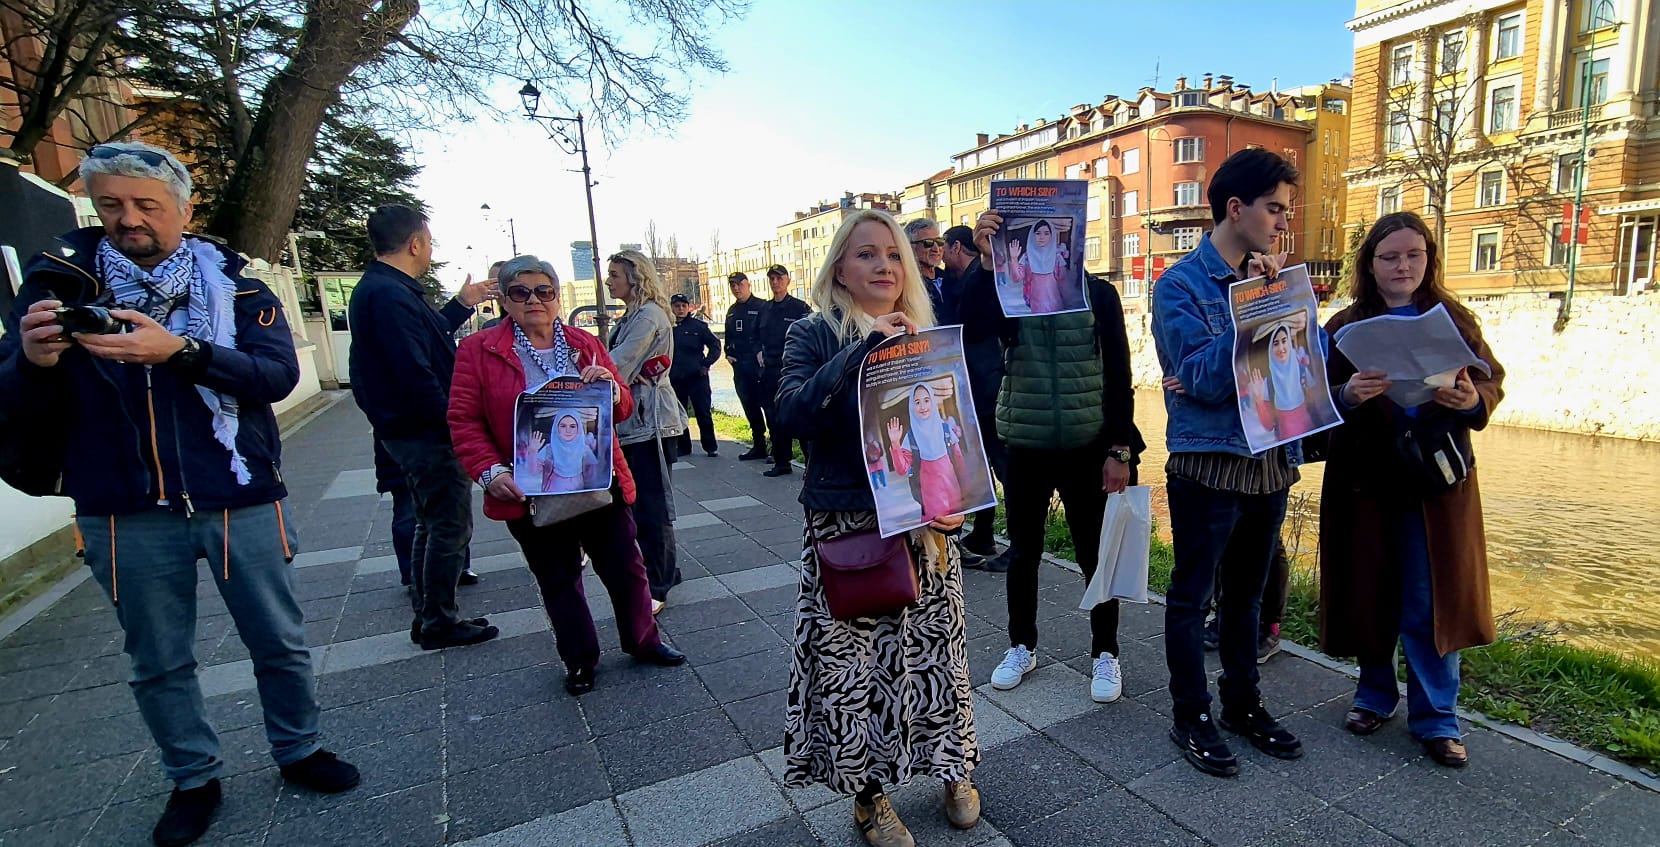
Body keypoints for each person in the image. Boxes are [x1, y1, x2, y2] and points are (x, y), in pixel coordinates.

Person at [0, 142, 359, 847]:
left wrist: (180, 352)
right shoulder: (58, 284)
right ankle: (193, 776)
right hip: (121, 504)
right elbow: (15, 400)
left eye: (145, 205)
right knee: (157, 657)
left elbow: (274, 375)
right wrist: (34, 361)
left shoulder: (238, 286)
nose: (127, 218)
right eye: (111, 205)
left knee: (279, 640)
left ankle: (299, 747)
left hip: (235, 491)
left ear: (184, 211)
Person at [777, 209, 980, 847]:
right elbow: (789, 415)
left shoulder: (928, 333)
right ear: (839, 266)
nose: (884, 267)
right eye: (867, 255)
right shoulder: (813, 333)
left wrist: (960, 495)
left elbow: (948, 434)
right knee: (853, 665)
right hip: (849, 526)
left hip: (925, 524)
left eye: (892, 256)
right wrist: (865, 352)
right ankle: (869, 797)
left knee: (934, 655)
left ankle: (953, 768)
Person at [447, 255, 686, 696]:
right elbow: (463, 420)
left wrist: (610, 389)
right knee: (558, 578)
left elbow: (622, 409)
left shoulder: (584, 343)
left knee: (627, 568)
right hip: (530, 489)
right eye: (520, 292)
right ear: (505, 299)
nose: (534, 300)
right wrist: (489, 471)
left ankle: (643, 641)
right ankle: (579, 660)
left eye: (544, 291)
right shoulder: (477, 351)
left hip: (596, 479)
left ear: (557, 296)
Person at [1321, 211, 1505, 769]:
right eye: (1389, 257)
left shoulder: (1453, 318)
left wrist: (1470, 401)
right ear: (1369, 265)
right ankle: (1374, 696)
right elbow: (1313, 399)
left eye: (1413, 255)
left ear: (1428, 260)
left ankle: (1437, 719)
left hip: (1435, 486)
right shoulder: (1345, 325)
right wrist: (1348, 394)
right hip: (1366, 483)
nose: (1403, 266)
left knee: (1431, 603)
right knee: (1372, 590)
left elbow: (1491, 381)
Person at [1150, 147, 1306, 778]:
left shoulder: (1275, 278)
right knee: (1193, 598)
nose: (1281, 223)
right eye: (1274, 208)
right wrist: (1254, 308)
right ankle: (1191, 714)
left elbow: (1294, 376)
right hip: (1208, 464)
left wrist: (1277, 303)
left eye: (1287, 211)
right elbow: (1205, 381)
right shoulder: (1178, 285)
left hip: (1268, 461)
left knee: (1245, 599)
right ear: (1235, 208)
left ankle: (1242, 703)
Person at [964, 210, 1143, 705]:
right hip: (1025, 440)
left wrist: (1120, 449)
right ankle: (1022, 645)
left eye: (1052, 231)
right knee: (1023, 552)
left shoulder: (1099, 295)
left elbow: (1119, 375)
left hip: (1088, 445)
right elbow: (971, 326)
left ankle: (1105, 651)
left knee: (1094, 554)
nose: (1044, 238)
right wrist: (985, 263)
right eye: (1035, 231)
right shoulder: (1010, 290)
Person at [348, 204, 498, 650]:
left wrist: (460, 305)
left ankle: (430, 613)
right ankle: (438, 620)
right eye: (429, 242)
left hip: (409, 428)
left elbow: (427, 338)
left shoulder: (384, 289)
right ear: (415, 244)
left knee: (429, 524)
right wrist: (458, 422)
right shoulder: (389, 295)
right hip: (424, 431)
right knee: (448, 525)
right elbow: (415, 371)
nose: (430, 250)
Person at [605, 249, 688, 614]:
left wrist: (604, 375)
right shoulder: (635, 316)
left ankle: (659, 582)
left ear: (634, 278)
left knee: (649, 504)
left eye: (614, 274)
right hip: (640, 420)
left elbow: (617, 365)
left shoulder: (646, 317)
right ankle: (666, 569)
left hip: (650, 422)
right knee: (641, 501)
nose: (609, 280)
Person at [941, 225, 1010, 567]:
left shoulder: (978, 278)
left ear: (956, 247)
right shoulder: (963, 279)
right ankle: (984, 534)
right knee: (980, 466)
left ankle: (1019, 543)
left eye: (939, 246)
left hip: (985, 389)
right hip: (979, 387)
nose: (936, 253)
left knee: (1004, 468)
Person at [757, 264, 812, 477]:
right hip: (771, 371)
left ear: (788, 281)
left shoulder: (800, 308)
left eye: (779, 278)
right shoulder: (765, 309)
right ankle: (782, 462)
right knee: (774, 417)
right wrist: (757, 352)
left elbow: (811, 336)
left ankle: (810, 464)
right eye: (771, 279)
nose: (775, 282)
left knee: (801, 417)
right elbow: (754, 337)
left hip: (794, 370)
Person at [885, 382, 966, 523]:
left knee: (954, 531)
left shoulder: (945, 430)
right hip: (930, 500)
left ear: (932, 402)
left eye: (926, 400)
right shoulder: (911, 437)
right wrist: (895, 444)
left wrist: (968, 491)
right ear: (912, 406)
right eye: (917, 402)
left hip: (954, 494)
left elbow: (959, 462)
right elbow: (902, 470)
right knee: (934, 530)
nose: (922, 407)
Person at [723, 271, 771, 460]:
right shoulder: (732, 311)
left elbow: (768, 334)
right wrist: (728, 353)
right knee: (749, 407)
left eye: (739, 284)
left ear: (748, 285)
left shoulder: (762, 307)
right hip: (741, 367)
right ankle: (758, 444)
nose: (736, 288)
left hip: (759, 367)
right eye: (732, 285)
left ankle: (777, 448)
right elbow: (729, 337)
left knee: (768, 407)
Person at [670, 293, 721, 458]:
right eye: (677, 306)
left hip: (697, 376)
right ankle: (684, 446)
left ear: (688, 307)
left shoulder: (698, 326)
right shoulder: (667, 327)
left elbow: (715, 345)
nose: (681, 309)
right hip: (675, 377)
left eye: (684, 306)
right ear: (672, 308)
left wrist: (706, 364)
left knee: (703, 412)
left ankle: (710, 446)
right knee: (679, 413)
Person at [1248, 321, 1315, 441]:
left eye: (1284, 341)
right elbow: (1268, 426)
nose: (1281, 348)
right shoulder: (1267, 382)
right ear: (1269, 348)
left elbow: (1315, 402)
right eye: (1275, 343)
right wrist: (1259, 401)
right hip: (1286, 449)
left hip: (1310, 440)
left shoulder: (1302, 370)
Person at [1001, 219, 1064, 314]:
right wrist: (1014, 259)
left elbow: (1064, 281)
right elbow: (1017, 278)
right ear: (1032, 235)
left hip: (1057, 305)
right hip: (1036, 306)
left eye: (1046, 233)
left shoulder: (1057, 257)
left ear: (1052, 236)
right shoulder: (1027, 257)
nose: (1042, 237)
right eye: (1038, 233)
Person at [531, 410, 601, 492]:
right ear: (556, 428)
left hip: (578, 496)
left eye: (572, 426)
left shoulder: (584, 449)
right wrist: (533, 452)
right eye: (563, 426)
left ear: (578, 429)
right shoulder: (549, 449)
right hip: (552, 495)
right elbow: (534, 472)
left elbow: (593, 477)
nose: (568, 430)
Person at [904, 218, 949, 319]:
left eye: (940, 241)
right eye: (928, 243)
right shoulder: (906, 285)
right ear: (909, 247)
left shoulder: (951, 279)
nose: (936, 248)